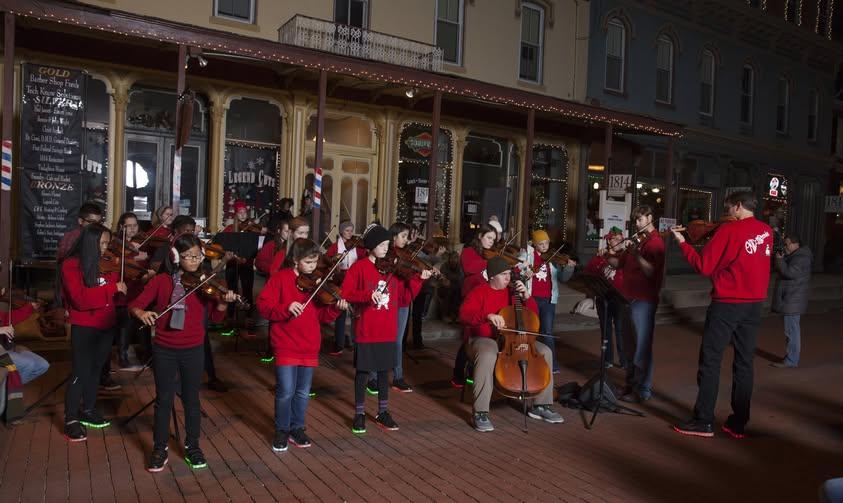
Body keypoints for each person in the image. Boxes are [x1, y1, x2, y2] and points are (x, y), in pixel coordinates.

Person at [671, 191, 772, 438]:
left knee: (711, 361)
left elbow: (703, 266)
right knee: (744, 363)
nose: (727, 213)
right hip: (754, 304)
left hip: (728, 303)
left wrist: (683, 243)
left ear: (738, 206)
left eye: (729, 208)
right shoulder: (766, 231)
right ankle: (738, 423)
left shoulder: (729, 230)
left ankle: (703, 420)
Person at [130, 234, 236, 472]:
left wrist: (223, 303)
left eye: (198, 256)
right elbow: (135, 304)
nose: (194, 261)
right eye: (188, 257)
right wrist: (141, 313)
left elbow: (216, 318)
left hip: (193, 349)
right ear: (176, 257)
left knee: (191, 399)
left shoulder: (207, 282)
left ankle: (193, 446)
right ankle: (159, 448)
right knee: (164, 400)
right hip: (164, 349)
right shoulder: (162, 281)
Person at [255, 238, 348, 451]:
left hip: (309, 345)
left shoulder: (317, 284)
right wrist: (286, 308)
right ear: (295, 260)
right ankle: (281, 429)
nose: (313, 267)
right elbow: (263, 305)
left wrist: (336, 309)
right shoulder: (281, 278)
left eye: (315, 262)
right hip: (286, 344)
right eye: (308, 262)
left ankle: (297, 428)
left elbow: (322, 316)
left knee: (303, 392)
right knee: (286, 391)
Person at [459, 257, 564, 432]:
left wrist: (527, 298)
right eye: (504, 274)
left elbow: (532, 316)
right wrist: (487, 316)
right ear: (492, 276)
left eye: (509, 274)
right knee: (487, 354)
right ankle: (480, 412)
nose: (508, 278)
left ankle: (541, 406)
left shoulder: (513, 293)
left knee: (545, 351)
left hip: (513, 340)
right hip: (483, 339)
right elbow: (464, 315)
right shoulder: (479, 292)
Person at [341, 225, 426, 434]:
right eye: (382, 245)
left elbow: (405, 298)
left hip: (387, 331)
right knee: (362, 373)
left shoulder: (393, 271)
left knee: (382, 374)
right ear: (371, 246)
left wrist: (418, 281)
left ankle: (383, 412)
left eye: (388, 244)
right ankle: (359, 413)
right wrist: (367, 296)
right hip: (366, 330)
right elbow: (347, 293)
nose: (386, 248)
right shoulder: (359, 268)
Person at [60, 224, 128, 441]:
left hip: (106, 324)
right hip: (85, 325)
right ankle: (71, 418)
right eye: (102, 243)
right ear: (90, 242)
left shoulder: (108, 263)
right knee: (81, 371)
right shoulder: (71, 265)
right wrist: (112, 289)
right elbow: (80, 299)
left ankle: (88, 409)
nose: (105, 248)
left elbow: (116, 296)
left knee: (96, 369)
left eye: (108, 243)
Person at [608, 205, 665, 403]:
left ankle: (643, 390)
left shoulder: (655, 242)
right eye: (635, 221)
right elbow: (619, 264)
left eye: (640, 220)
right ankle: (631, 384)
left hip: (643, 301)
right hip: (627, 297)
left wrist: (636, 254)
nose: (637, 224)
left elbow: (651, 272)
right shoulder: (638, 241)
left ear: (650, 218)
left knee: (642, 347)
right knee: (629, 346)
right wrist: (607, 255)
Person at [365, 222, 431, 394]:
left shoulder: (406, 256)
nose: (406, 240)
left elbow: (410, 282)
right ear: (393, 237)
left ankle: (398, 377)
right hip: (386, 302)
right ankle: (372, 377)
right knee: (380, 340)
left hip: (401, 304)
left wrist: (420, 277)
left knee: (397, 342)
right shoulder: (385, 255)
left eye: (407, 236)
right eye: (403, 236)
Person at [518, 230, 577, 374]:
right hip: (531, 298)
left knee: (547, 332)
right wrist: (525, 273)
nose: (545, 246)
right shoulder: (527, 255)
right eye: (541, 244)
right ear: (534, 244)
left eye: (547, 243)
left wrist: (569, 268)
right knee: (531, 329)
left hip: (548, 300)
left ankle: (552, 365)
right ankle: (529, 362)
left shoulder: (553, 257)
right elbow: (518, 270)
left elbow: (563, 278)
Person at [452, 224, 498, 388]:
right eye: (489, 237)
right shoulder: (469, 251)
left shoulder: (489, 254)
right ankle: (458, 375)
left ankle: (474, 374)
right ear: (480, 236)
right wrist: (491, 262)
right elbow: (470, 268)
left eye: (493, 239)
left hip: (486, 299)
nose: (491, 242)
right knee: (469, 338)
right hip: (471, 298)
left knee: (483, 337)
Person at [584, 228, 627, 368]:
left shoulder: (625, 256)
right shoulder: (600, 257)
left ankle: (624, 361)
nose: (619, 241)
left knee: (621, 330)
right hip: (603, 298)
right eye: (616, 239)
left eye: (621, 239)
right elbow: (588, 274)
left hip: (620, 298)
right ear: (609, 241)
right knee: (606, 330)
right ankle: (608, 360)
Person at [770, 234, 812, 368]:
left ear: (795, 244)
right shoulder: (796, 256)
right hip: (791, 299)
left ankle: (791, 360)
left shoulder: (801, 258)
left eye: (787, 244)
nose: (785, 247)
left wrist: (780, 259)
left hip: (793, 299)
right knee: (791, 330)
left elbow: (789, 273)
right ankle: (791, 358)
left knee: (791, 331)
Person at [325, 221, 365, 355]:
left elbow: (364, 260)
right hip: (340, 280)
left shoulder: (357, 247)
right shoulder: (335, 247)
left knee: (356, 313)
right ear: (341, 231)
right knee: (341, 313)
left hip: (355, 281)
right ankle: (339, 344)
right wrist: (334, 262)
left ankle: (355, 342)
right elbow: (327, 260)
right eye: (347, 230)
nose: (350, 233)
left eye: (351, 230)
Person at [0, 304, 50, 384]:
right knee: (28, 364)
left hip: (6, 348)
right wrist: (1, 330)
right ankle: (12, 388)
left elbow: (10, 317)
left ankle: (11, 386)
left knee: (43, 365)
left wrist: (30, 307)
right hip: (2, 353)